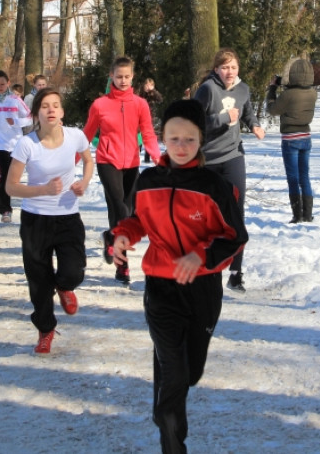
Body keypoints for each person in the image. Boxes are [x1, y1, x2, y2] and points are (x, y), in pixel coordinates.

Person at [112, 99, 247, 454]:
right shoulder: (148, 180)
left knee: (189, 372)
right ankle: (172, 441)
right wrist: (124, 235)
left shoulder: (213, 186)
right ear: (162, 139)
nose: (181, 147)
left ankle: (167, 402)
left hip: (201, 289)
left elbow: (235, 236)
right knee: (173, 370)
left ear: (200, 140)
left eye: (189, 139)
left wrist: (200, 254)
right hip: (160, 287)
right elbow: (137, 218)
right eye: (174, 139)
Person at [5, 87, 95, 354]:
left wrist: (84, 182)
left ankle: (65, 286)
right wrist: (42, 190)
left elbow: (89, 162)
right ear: (36, 114)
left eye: (56, 105)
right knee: (39, 282)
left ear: (62, 112)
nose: (51, 110)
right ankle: (45, 330)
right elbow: (11, 187)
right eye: (45, 106)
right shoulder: (26, 144)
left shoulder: (76, 136)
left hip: (68, 216)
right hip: (36, 220)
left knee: (74, 270)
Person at [82, 56, 161, 285]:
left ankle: (110, 236)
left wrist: (156, 155)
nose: (123, 80)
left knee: (127, 209)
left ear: (132, 77)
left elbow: (147, 132)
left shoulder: (140, 104)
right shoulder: (100, 104)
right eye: (119, 77)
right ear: (111, 77)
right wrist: (72, 157)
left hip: (132, 162)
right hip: (108, 160)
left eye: (127, 76)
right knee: (119, 208)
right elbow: (87, 133)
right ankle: (123, 266)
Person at [192, 48, 265, 292]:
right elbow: (194, 121)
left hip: (234, 157)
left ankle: (236, 271)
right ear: (216, 70)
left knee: (236, 212)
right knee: (210, 216)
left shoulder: (243, 89)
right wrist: (223, 118)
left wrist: (254, 125)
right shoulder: (207, 90)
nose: (229, 72)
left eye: (233, 67)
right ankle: (207, 267)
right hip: (209, 159)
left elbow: (247, 112)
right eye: (224, 67)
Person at [265, 58, 318, 223]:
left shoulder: (287, 95)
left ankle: (297, 215)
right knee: (304, 176)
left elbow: (273, 110)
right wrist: (282, 82)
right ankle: (307, 214)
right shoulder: (313, 92)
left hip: (290, 138)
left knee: (293, 177)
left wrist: (272, 89)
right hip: (306, 137)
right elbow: (295, 89)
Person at [0, 70, 32, 222]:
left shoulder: (15, 100)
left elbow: (30, 118)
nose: (0, 87)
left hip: (16, 143)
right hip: (0, 143)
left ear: (8, 83)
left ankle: (30, 203)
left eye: (2, 84)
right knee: (5, 175)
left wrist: (17, 122)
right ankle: (5, 209)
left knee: (13, 176)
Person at [139, 78, 164, 163]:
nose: (148, 87)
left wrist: (153, 91)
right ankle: (136, 154)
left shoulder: (153, 94)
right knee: (138, 137)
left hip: (151, 118)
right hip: (139, 117)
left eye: (150, 85)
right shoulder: (140, 93)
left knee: (149, 137)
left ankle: (147, 157)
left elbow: (160, 99)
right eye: (147, 84)